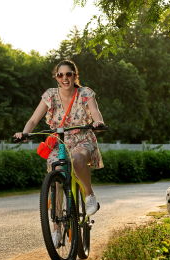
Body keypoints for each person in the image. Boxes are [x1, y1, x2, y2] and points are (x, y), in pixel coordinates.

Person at [14, 59, 105, 216]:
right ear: (56, 77)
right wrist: (24, 132)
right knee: (56, 175)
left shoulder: (85, 93)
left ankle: (89, 195)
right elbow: (34, 119)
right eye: (60, 75)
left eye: (68, 74)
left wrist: (98, 122)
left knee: (77, 159)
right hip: (60, 141)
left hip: (82, 139)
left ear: (75, 75)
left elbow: (95, 112)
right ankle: (56, 226)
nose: (65, 78)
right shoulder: (50, 95)